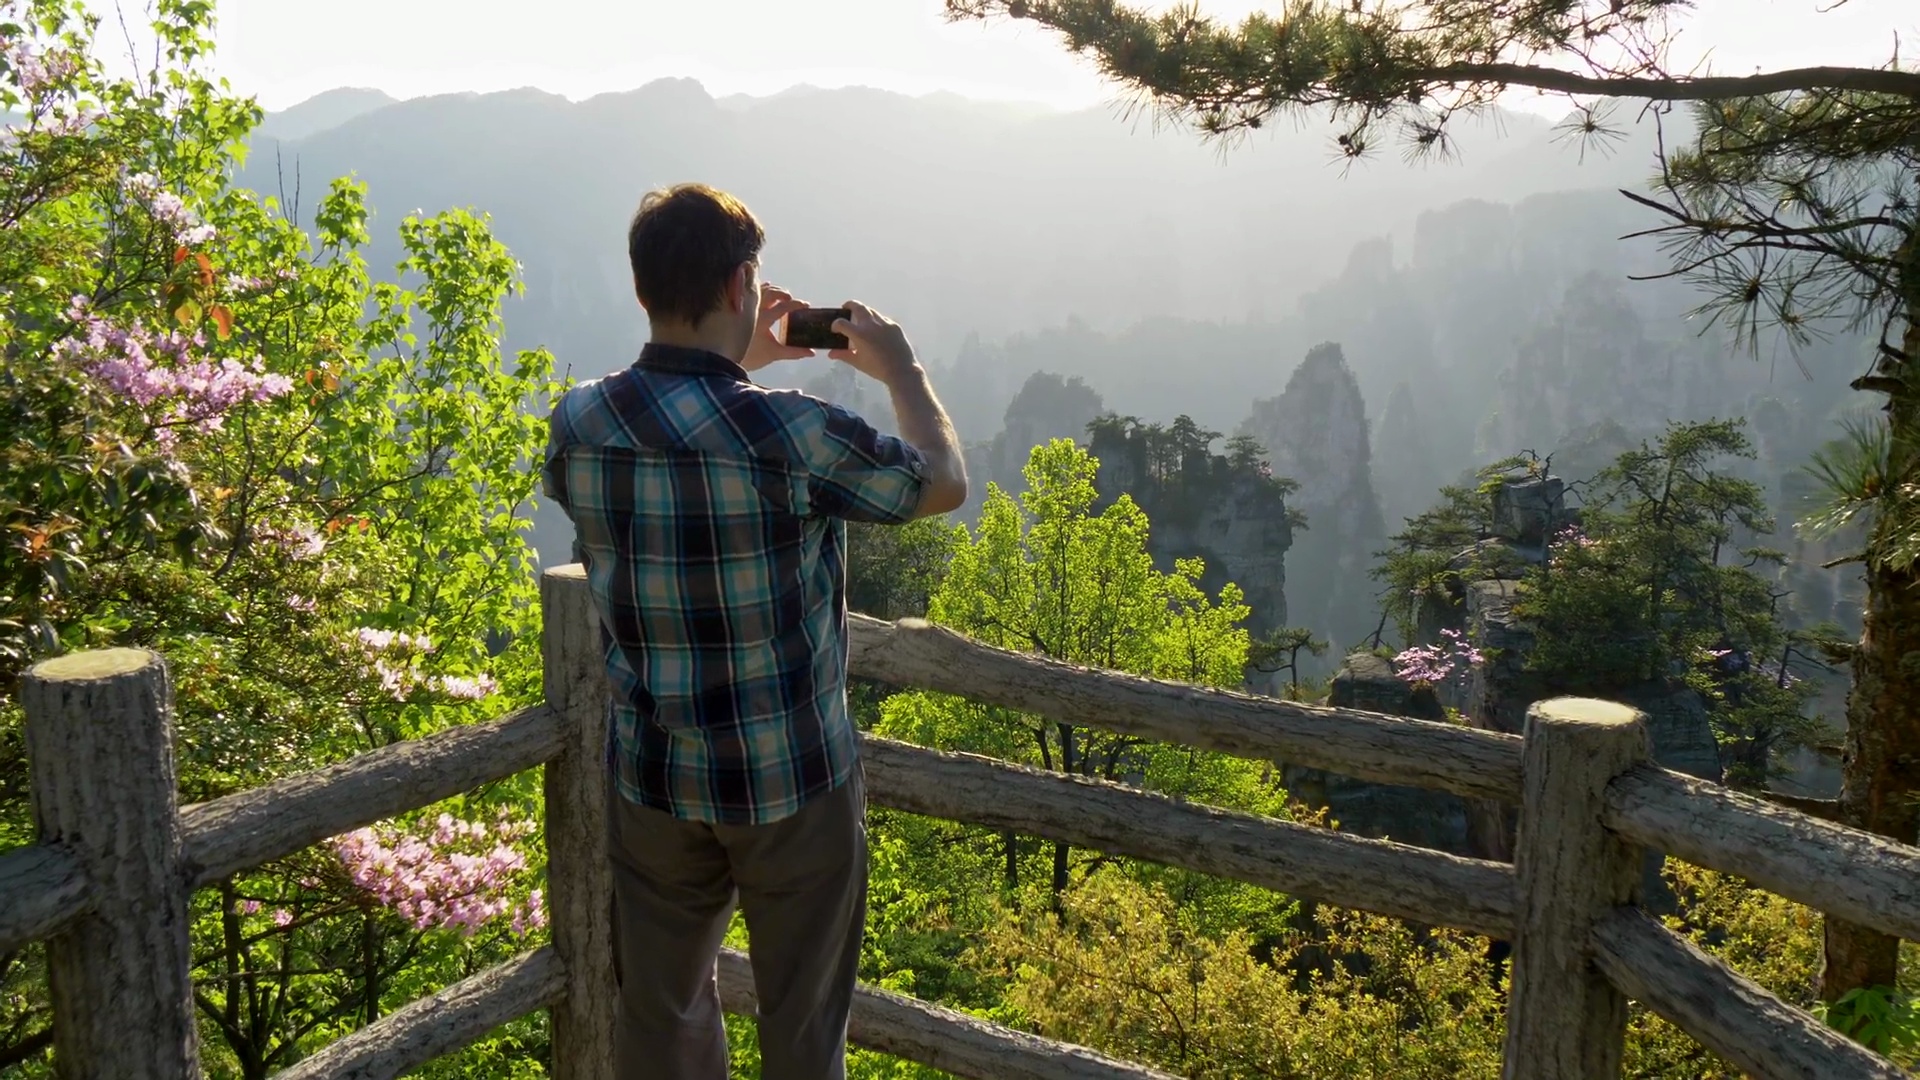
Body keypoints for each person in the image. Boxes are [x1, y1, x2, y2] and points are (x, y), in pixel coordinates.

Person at [541, 183, 967, 1079]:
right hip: (794, 782)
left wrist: (737, 365)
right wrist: (903, 369)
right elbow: (940, 481)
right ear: (743, 285)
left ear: (639, 286)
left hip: (654, 779)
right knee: (803, 1025)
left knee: (661, 1015)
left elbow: (679, 439)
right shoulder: (792, 434)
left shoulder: (578, 423)